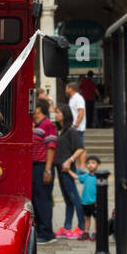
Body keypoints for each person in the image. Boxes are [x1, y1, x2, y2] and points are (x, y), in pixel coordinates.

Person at [54, 104, 86, 239]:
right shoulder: (60, 130)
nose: (56, 115)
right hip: (59, 169)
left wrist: (69, 161)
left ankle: (82, 227)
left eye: (58, 113)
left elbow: (80, 149)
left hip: (67, 169)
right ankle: (67, 227)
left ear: (65, 115)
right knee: (68, 200)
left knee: (74, 198)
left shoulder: (71, 131)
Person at [32, 97, 57, 243]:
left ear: (39, 108)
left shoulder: (47, 125)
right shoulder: (35, 124)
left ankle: (47, 232)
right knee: (36, 198)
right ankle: (41, 230)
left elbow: (51, 147)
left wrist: (47, 170)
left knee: (43, 199)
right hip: (34, 166)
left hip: (43, 165)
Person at [77, 155, 100, 241]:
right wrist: (68, 171)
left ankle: (96, 232)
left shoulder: (99, 177)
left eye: (93, 163)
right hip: (85, 202)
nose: (90, 165)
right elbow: (77, 177)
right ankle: (86, 232)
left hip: (94, 202)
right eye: (89, 163)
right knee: (87, 217)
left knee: (96, 218)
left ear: (98, 165)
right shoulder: (86, 176)